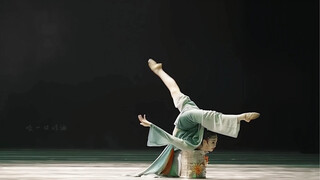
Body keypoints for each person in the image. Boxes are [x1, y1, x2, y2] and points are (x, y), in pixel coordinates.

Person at [136, 59, 260, 177]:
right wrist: (151, 125)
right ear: (204, 141)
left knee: (175, 91)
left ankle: (159, 70)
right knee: (203, 112)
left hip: (188, 119)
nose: (214, 147)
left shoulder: (190, 145)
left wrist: (151, 125)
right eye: (212, 143)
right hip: (190, 118)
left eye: (214, 143)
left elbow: (171, 139)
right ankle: (240, 117)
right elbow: (172, 138)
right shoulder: (193, 142)